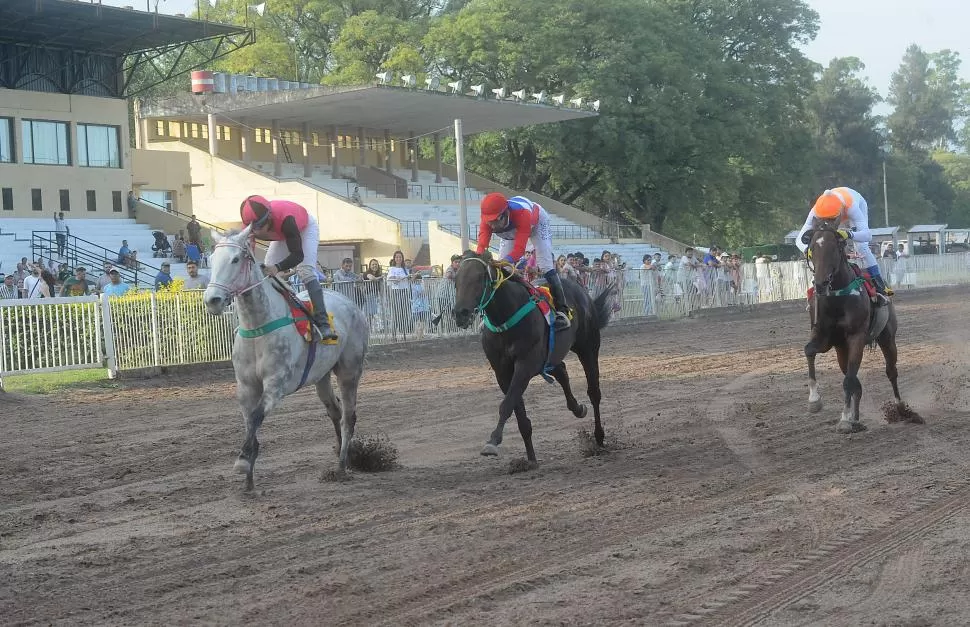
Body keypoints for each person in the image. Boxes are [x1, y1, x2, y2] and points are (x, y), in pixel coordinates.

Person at [239, 195, 337, 340]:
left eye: (260, 226)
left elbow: (298, 256)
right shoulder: (250, 227)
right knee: (267, 273)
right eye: (254, 228)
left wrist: (278, 267)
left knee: (305, 271)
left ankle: (323, 323)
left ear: (269, 217)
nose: (257, 232)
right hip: (281, 234)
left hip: (304, 227)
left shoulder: (287, 221)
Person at [476, 192, 571, 330]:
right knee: (503, 271)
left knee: (545, 266)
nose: (492, 226)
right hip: (513, 229)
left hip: (536, 223)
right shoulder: (488, 220)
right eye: (489, 222)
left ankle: (562, 311)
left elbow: (519, 250)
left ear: (505, 213)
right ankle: (495, 315)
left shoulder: (522, 214)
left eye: (495, 221)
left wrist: (504, 261)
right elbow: (481, 247)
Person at [795, 187, 892, 300]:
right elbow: (799, 240)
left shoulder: (851, 206)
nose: (829, 221)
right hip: (839, 208)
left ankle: (879, 283)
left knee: (861, 246)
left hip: (856, 202)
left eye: (833, 218)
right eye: (826, 218)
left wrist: (850, 234)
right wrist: (808, 250)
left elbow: (867, 235)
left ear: (840, 211)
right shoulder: (816, 210)